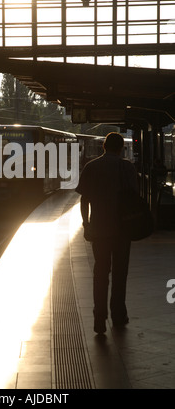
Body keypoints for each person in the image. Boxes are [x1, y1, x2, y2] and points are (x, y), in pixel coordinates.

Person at [76, 132, 138, 334]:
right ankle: (118, 315)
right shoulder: (127, 167)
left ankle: (99, 319)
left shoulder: (91, 167)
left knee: (101, 274)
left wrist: (86, 224)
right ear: (121, 148)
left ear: (103, 146)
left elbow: (84, 199)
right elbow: (134, 196)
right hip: (123, 229)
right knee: (120, 274)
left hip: (100, 229)